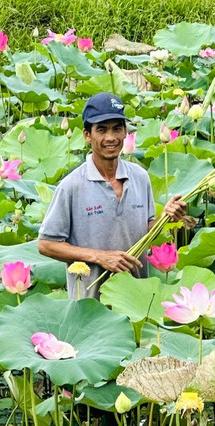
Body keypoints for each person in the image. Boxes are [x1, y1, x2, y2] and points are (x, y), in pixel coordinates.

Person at [38, 92, 187, 299]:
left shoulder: (140, 177)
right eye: (102, 129)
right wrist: (100, 257)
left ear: (125, 132)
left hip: (136, 298)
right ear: (87, 135)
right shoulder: (71, 186)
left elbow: (142, 229)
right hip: (90, 305)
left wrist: (166, 218)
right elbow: (46, 244)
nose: (111, 137)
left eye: (117, 128)